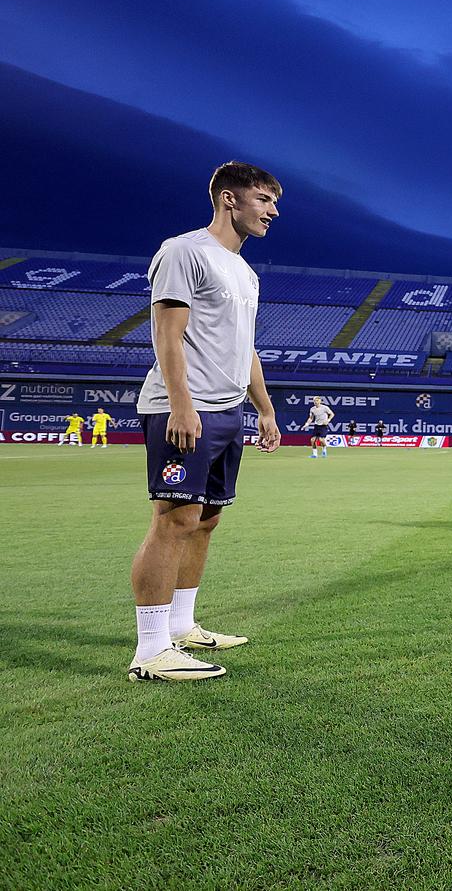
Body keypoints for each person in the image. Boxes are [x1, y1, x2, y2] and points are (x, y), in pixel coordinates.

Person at [128, 161, 283, 682]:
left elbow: (247, 349)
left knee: (207, 519)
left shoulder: (245, 271)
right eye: (263, 199)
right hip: (185, 409)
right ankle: (150, 651)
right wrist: (181, 404)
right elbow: (166, 335)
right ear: (229, 200)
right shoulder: (184, 251)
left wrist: (264, 408)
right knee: (173, 519)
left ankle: (181, 625)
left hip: (226, 411)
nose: (272, 211)